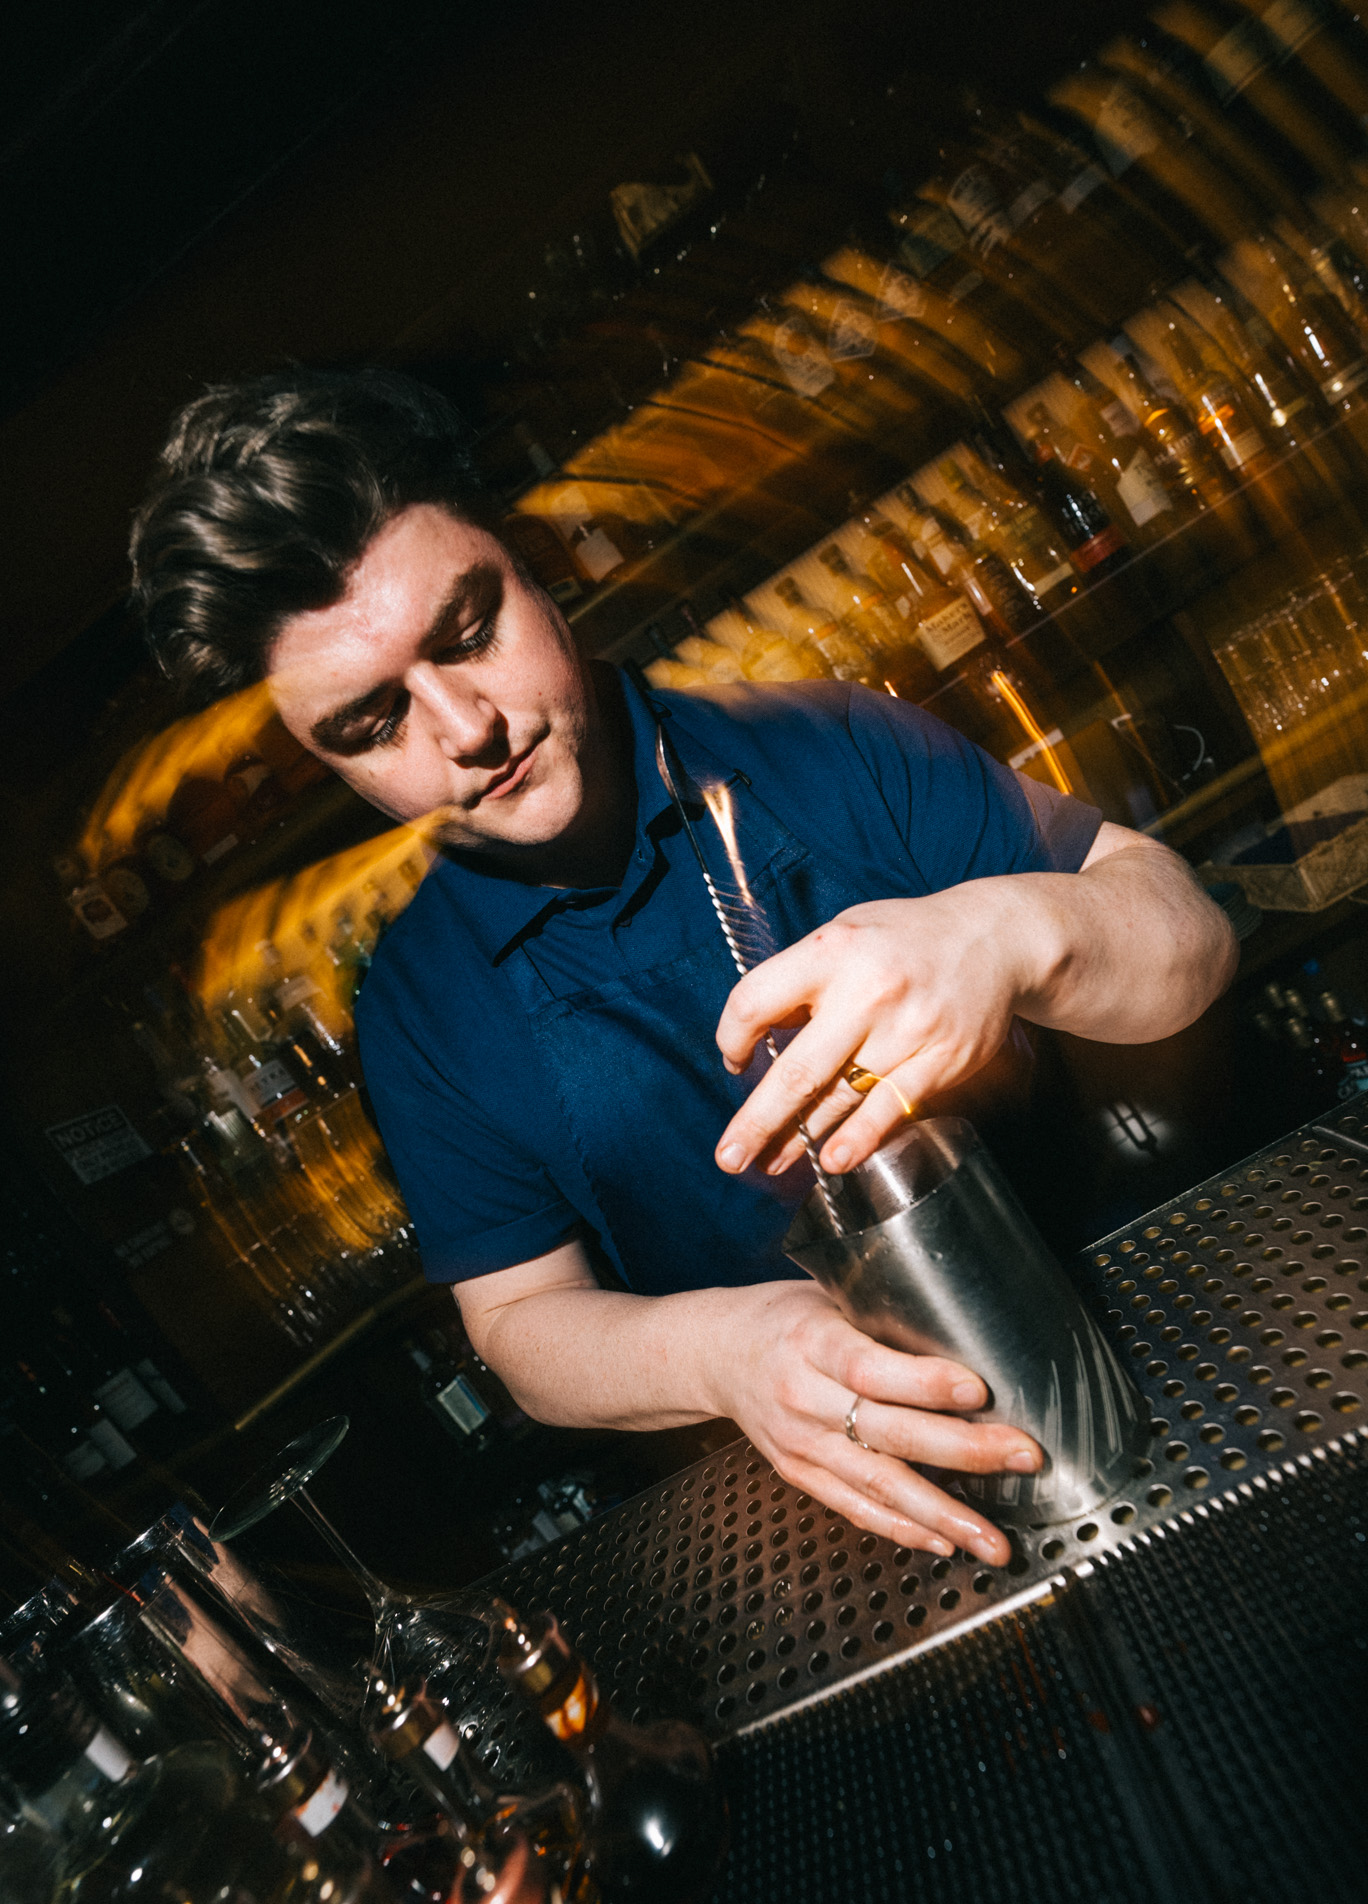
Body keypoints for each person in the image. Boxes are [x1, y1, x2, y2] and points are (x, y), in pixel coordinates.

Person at [131, 368, 1237, 1566]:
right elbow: (517, 1322)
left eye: (468, 633)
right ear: (318, 760)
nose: (466, 730)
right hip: (847, 1525)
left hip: (1166, 1339)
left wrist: (1012, 930)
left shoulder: (826, 740)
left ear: (533, 558)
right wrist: (726, 1349)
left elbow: (1189, 934)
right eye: (372, 724)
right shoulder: (418, 1008)